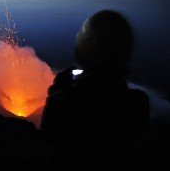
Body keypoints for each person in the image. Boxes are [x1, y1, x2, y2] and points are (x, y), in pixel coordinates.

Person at [41, 10, 150, 170]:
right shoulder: (138, 103)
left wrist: (58, 91)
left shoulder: (62, 104)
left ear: (86, 45)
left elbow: (48, 144)